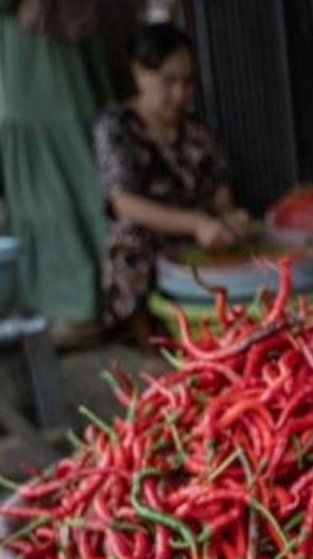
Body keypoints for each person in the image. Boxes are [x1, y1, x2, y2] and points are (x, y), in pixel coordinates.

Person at [94, 21, 249, 334]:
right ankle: (146, 335)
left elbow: (220, 193)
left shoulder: (196, 132)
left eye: (188, 83)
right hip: (153, 239)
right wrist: (195, 223)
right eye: (169, 81)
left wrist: (230, 220)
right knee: (128, 241)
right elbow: (122, 203)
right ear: (139, 73)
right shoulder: (116, 126)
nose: (180, 94)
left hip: (200, 240)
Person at [0, 0, 113, 338]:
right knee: (60, 192)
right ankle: (81, 304)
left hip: (42, 69)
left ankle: (82, 306)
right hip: (35, 66)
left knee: (63, 191)